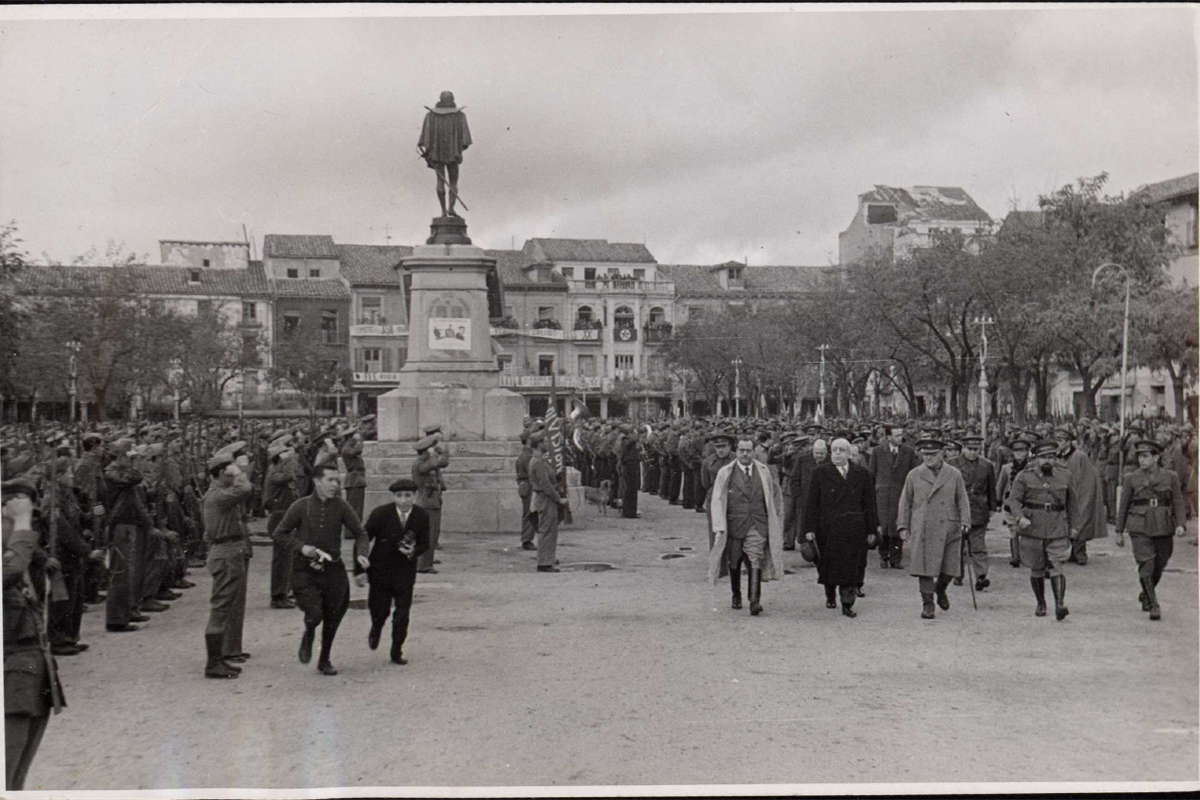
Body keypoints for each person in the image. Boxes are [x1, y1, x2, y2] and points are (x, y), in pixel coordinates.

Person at [271, 464, 371, 676]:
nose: (335, 485)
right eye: (330, 480)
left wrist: (362, 553)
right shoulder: (301, 506)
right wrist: (301, 547)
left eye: (337, 480)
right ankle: (309, 633)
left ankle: (324, 658)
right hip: (304, 570)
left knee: (334, 615)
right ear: (317, 481)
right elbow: (279, 533)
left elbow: (361, 533)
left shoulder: (341, 506)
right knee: (314, 614)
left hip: (333, 568)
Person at [3, 480, 67, 790]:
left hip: (30, 668)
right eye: (8, 522)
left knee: (16, 779)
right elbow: (9, 573)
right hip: (10, 670)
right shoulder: (11, 557)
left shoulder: (15, 553)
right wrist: (22, 524)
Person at [708, 436, 785, 616]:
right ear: (737, 451)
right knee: (734, 561)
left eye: (748, 450)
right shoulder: (725, 472)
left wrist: (773, 517)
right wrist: (719, 526)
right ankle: (736, 595)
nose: (745, 454)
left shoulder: (764, 471)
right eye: (741, 450)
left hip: (757, 523)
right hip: (734, 524)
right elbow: (717, 499)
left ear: (753, 451)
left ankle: (754, 600)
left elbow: (774, 494)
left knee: (754, 559)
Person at [802, 438, 879, 617]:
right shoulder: (819, 473)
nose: (837, 453)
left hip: (854, 528)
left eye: (842, 450)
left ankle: (847, 602)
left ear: (849, 454)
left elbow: (869, 504)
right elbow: (811, 503)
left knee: (850, 566)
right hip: (827, 528)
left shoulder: (862, 474)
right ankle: (830, 594)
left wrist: (871, 529)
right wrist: (809, 529)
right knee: (828, 565)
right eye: (834, 450)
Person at [896, 438, 972, 620]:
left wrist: (965, 521)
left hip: (949, 526)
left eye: (932, 454)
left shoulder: (953, 474)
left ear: (942, 454)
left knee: (950, 566)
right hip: (923, 527)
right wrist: (903, 525)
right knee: (924, 567)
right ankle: (928, 603)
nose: (928, 458)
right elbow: (905, 501)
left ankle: (941, 589)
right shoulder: (914, 475)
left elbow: (962, 499)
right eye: (925, 454)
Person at [358, 478, 429, 665]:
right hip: (380, 570)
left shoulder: (421, 516)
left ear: (415, 496)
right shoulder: (381, 514)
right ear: (394, 497)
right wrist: (361, 562)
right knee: (380, 610)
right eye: (399, 496)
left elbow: (425, 543)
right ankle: (376, 627)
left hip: (405, 571)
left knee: (402, 613)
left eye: (408, 496)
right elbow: (364, 537)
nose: (404, 500)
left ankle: (397, 649)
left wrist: (414, 551)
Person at [1114, 439, 1187, 620]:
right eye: (1139, 456)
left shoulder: (1170, 477)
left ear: (1156, 457)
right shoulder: (1131, 478)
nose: (1141, 460)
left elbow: (1178, 501)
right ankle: (1153, 603)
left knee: (1161, 563)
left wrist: (1180, 524)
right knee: (1146, 564)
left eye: (1146, 456)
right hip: (1139, 525)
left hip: (1163, 524)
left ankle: (1146, 593)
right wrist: (1118, 531)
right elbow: (1123, 506)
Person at [1008, 441, 1079, 620]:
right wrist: (1019, 518)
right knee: (1036, 567)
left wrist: (1074, 526)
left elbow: (1073, 503)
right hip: (1032, 528)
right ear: (1036, 458)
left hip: (1057, 526)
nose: (1048, 461)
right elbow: (1013, 501)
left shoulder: (1065, 476)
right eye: (1043, 457)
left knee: (1057, 565)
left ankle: (1060, 604)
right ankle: (1041, 602)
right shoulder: (1024, 477)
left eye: (1051, 457)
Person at [200, 445, 253, 679]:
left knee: (226, 605)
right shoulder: (219, 495)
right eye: (229, 467)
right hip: (226, 553)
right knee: (221, 607)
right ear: (222, 471)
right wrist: (239, 473)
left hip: (229, 550)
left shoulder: (220, 493)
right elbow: (246, 489)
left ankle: (221, 656)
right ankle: (213, 663)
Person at [948, 435, 997, 591]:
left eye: (976, 450)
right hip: (958, 510)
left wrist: (992, 507)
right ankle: (957, 573)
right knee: (958, 545)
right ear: (963, 448)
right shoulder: (952, 464)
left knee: (978, 546)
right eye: (970, 449)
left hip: (978, 510)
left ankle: (981, 576)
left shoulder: (986, 465)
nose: (973, 453)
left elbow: (991, 488)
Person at [867, 424, 919, 569]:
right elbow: (871, 473)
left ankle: (896, 559)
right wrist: (872, 492)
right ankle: (883, 556)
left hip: (901, 494)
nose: (900, 438)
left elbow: (914, 472)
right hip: (882, 496)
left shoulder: (908, 452)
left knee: (898, 527)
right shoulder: (878, 451)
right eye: (896, 435)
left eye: (901, 434)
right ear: (889, 437)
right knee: (883, 528)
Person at [1053, 425, 1106, 565]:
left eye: (1061, 440)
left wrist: (1081, 497)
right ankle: (1069, 552)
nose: (1058, 443)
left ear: (1069, 441)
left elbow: (1088, 478)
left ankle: (1079, 554)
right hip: (1061, 495)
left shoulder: (1079, 456)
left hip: (1079, 494)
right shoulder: (1055, 457)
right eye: (1056, 440)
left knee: (1079, 523)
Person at [418, 90, 472, 217]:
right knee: (453, 182)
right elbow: (466, 139)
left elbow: (425, 139)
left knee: (440, 181)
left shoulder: (430, 116)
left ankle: (444, 210)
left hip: (437, 154)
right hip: (453, 154)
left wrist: (428, 151)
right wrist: (458, 148)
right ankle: (450, 208)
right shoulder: (460, 116)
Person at [264, 437, 298, 609]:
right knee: (281, 559)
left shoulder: (278, 471)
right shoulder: (275, 473)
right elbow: (289, 475)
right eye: (286, 453)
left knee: (287, 558)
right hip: (279, 518)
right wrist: (290, 461)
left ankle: (285, 591)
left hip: (284, 517)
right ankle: (278, 596)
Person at [528, 432, 568, 572]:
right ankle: (544, 562)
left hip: (547, 498)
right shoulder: (537, 462)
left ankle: (548, 558)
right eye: (545, 441)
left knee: (551, 530)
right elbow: (545, 484)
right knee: (547, 530)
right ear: (539, 444)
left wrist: (557, 476)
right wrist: (559, 498)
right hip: (546, 499)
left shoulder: (541, 460)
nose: (547, 444)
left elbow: (548, 479)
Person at [413, 433, 451, 574]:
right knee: (427, 534)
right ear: (425, 450)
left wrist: (441, 452)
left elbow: (443, 464)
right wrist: (443, 451)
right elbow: (439, 462)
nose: (433, 450)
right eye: (430, 448)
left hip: (431, 501)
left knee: (430, 533)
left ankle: (426, 563)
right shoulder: (421, 465)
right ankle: (423, 565)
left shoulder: (425, 463)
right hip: (427, 501)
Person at [996, 438, 1033, 567]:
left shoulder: (1032, 467)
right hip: (1010, 502)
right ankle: (1015, 556)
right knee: (1014, 529)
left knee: (1026, 530)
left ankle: (1026, 555)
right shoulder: (1006, 468)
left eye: (1023, 450)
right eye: (1017, 451)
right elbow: (1000, 485)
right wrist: (998, 501)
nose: (1020, 453)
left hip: (1027, 502)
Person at [701, 433, 736, 549]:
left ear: (729, 446)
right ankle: (716, 561)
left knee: (733, 531)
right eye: (718, 447)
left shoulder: (736, 460)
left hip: (733, 498)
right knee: (715, 530)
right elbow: (705, 483)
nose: (721, 450)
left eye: (723, 446)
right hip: (715, 499)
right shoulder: (708, 461)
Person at [515, 431, 538, 552]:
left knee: (528, 512)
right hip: (528, 484)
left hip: (525, 484)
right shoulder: (527, 456)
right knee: (529, 513)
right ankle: (527, 540)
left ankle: (527, 539)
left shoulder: (525, 454)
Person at [618, 425, 641, 519]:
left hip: (632, 466)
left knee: (632, 490)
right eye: (633, 433)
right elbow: (626, 449)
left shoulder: (629, 442)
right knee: (629, 490)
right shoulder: (625, 440)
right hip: (629, 467)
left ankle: (631, 510)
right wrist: (634, 440)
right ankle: (629, 512)